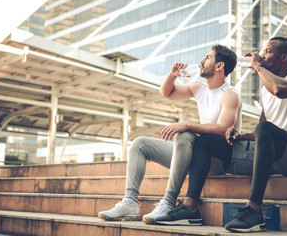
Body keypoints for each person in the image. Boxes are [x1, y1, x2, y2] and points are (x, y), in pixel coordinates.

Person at [155, 37, 287, 232]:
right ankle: (190, 207)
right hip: (271, 157)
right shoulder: (265, 91)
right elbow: (261, 131)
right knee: (206, 140)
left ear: (284, 57)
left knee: (265, 130)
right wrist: (240, 135)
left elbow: (279, 90)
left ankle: (253, 209)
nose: (262, 55)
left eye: (267, 52)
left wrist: (257, 66)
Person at [98, 45, 242, 225]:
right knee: (139, 143)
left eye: (207, 58)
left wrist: (187, 124)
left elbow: (223, 129)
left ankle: (168, 202)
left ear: (219, 66)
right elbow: (166, 92)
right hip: (195, 155)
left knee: (185, 133)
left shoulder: (229, 94)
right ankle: (130, 202)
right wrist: (172, 75)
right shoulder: (198, 87)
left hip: (215, 161)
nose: (202, 61)